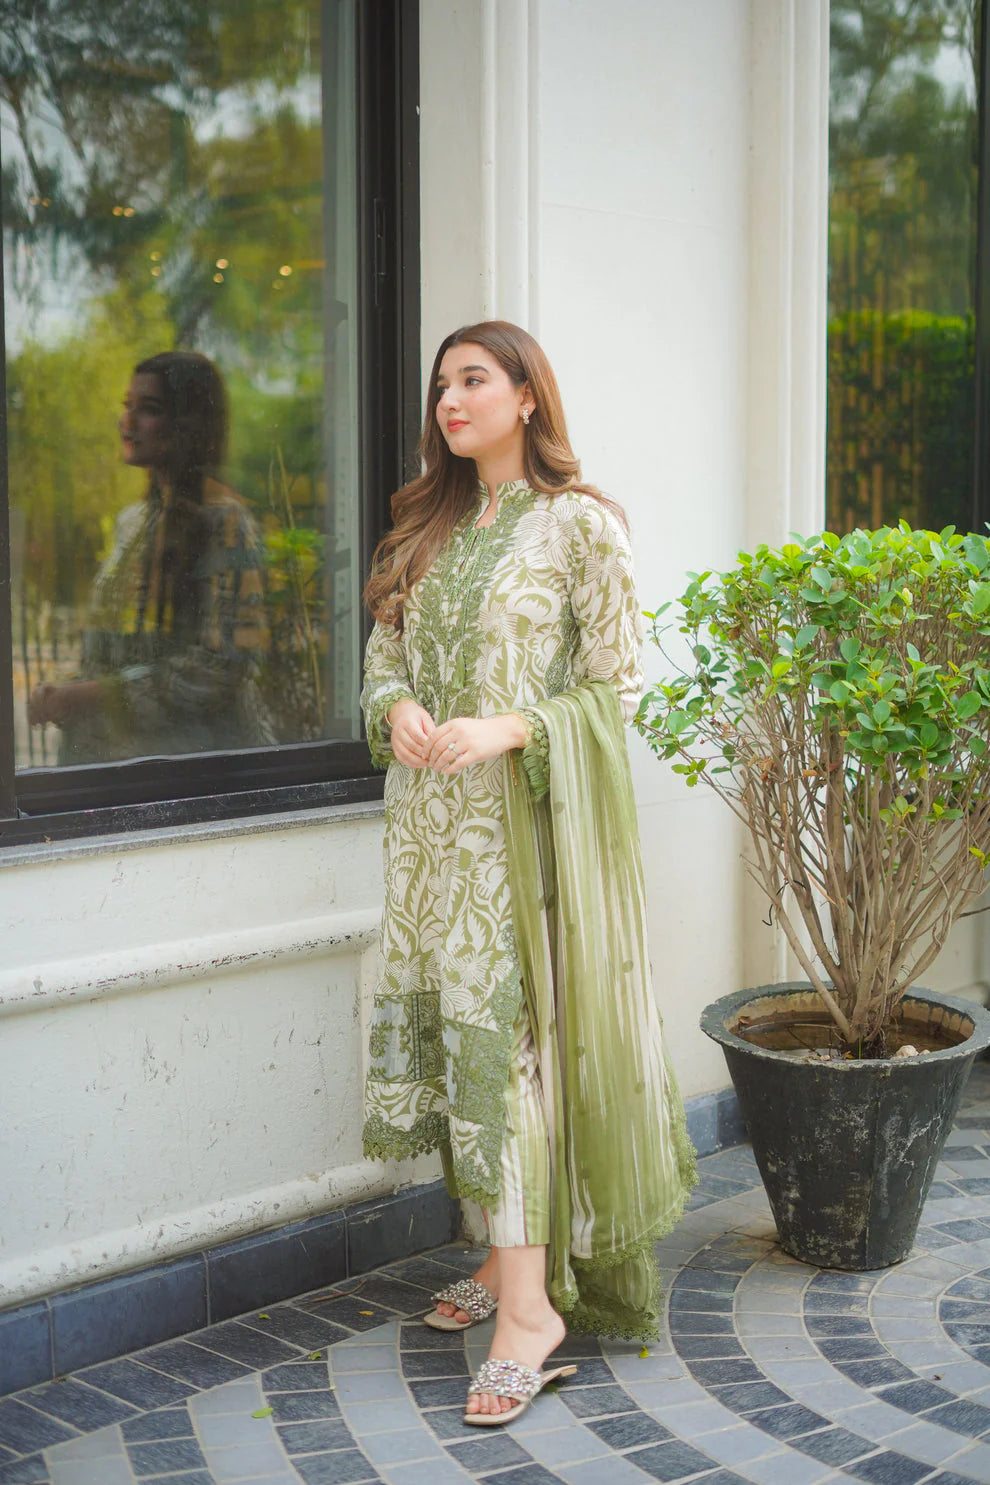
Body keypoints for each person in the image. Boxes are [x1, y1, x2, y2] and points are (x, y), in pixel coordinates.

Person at [361, 320, 696, 1426]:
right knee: (465, 1053)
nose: (450, 400)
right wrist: (397, 707)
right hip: (428, 838)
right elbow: (387, 654)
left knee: (511, 1058)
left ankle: (533, 1319)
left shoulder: (580, 529)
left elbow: (618, 691)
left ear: (527, 398)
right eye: (441, 385)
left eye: (474, 380)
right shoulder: (429, 527)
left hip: (520, 839)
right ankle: (511, 1263)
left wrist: (511, 727)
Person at [28, 350, 272, 762]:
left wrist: (92, 696)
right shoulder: (133, 522)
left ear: (188, 424)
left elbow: (219, 668)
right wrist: (64, 691)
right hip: (119, 764)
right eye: (128, 407)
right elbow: (120, 652)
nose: (129, 421)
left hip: (193, 770)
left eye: (150, 409)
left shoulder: (227, 523)